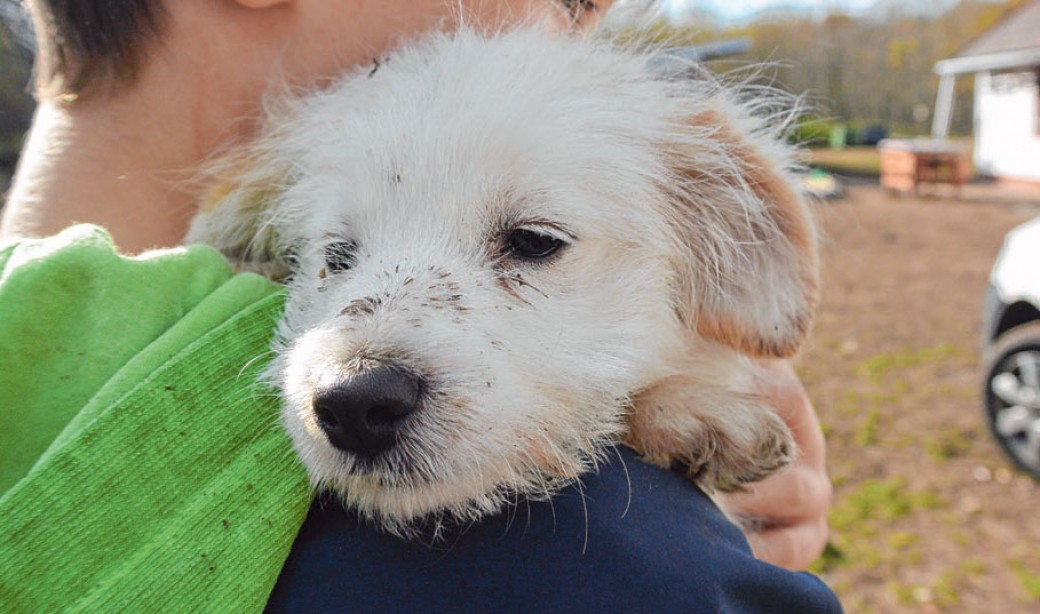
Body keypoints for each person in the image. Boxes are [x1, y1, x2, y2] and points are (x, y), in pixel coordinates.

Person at [0, 0, 834, 606]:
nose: (577, 25)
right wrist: (701, 560)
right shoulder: (591, 559)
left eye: (534, 241)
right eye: (571, 0)